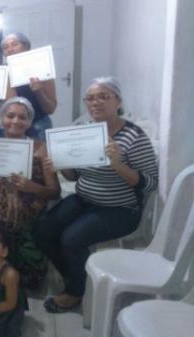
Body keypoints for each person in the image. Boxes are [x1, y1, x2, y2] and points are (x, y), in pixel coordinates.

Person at [33, 77, 158, 312]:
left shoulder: (134, 136)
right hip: (85, 199)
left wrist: (117, 163)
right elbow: (74, 177)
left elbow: (150, 184)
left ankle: (74, 291)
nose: (96, 102)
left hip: (120, 209)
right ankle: (76, 277)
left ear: (118, 101)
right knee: (42, 229)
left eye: (104, 96)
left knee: (71, 239)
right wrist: (59, 165)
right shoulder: (83, 131)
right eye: (90, 98)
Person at [0, 97, 60, 289]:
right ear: (1, 120)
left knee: (31, 283)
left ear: (29, 121)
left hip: (30, 222)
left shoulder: (41, 149)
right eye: (10, 116)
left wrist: (32, 187)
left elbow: (54, 192)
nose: (16, 121)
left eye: (22, 117)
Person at [1, 32, 57, 140]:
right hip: (13, 127)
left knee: (39, 157)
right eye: (5, 47)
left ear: (26, 46)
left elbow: (51, 109)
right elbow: (11, 104)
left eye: (15, 44)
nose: (10, 49)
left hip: (39, 125)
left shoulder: (43, 68)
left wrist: (39, 91)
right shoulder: (3, 73)